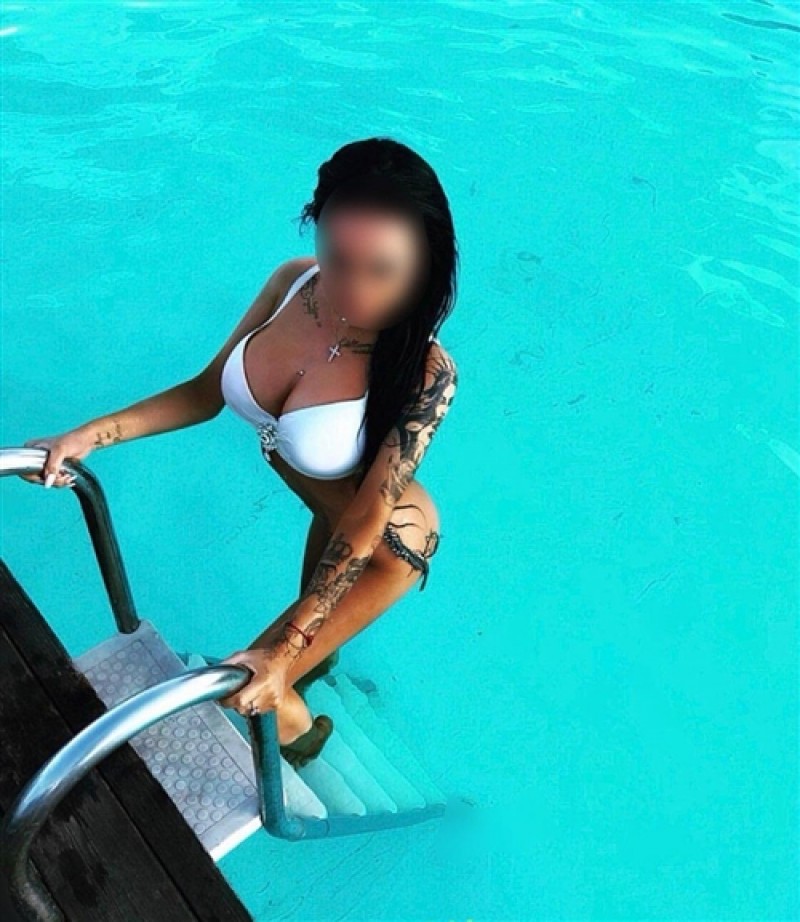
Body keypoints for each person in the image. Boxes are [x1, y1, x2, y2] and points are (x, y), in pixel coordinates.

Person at [19, 137, 459, 769]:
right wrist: (87, 436)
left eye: (382, 270)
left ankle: (309, 741)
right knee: (306, 652)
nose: (352, 289)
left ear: (424, 267)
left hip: (383, 546)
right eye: (338, 258)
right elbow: (205, 393)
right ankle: (318, 666)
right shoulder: (293, 282)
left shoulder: (427, 374)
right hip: (326, 517)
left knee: (252, 690)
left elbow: (366, 520)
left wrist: (282, 654)